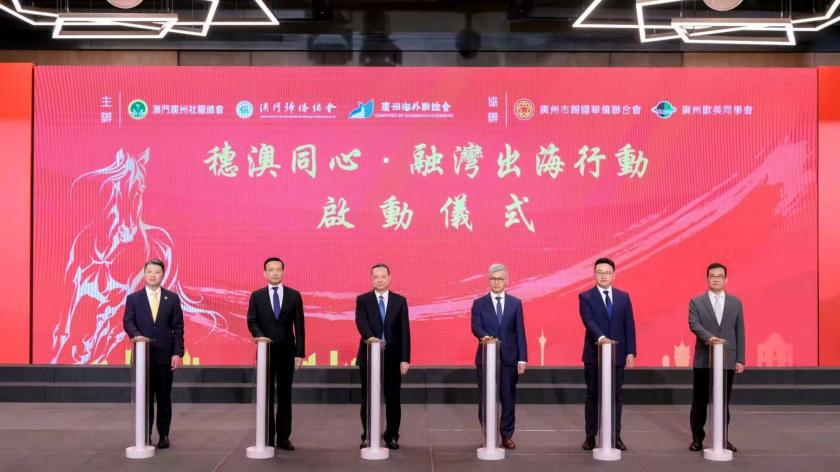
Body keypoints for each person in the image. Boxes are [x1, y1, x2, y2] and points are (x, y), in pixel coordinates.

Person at [123, 258, 184, 449]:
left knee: (164, 398)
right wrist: (137, 336)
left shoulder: (172, 298)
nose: (153, 275)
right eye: (149, 272)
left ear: (162, 275)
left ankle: (164, 435)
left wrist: (177, 352)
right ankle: (145, 435)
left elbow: (178, 327)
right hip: (144, 356)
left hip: (165, 356)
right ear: (144, 273)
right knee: (145, 398)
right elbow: (128, 321)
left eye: (157, 272)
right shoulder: (134, 298)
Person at [246, 257, 306, 451]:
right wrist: (260, 337)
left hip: (287, 352)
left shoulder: (294, 295)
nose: (274, 273)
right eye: (271, 270)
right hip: (266, 352)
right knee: (266, 395)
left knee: (285, 395)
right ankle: (267, 437)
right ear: (264, 273)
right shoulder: (257, 296)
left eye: (278, 269)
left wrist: (300, 353)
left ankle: (283, 438)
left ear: (283, 272)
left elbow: (300, 326)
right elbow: (252, 320)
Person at [579, 257, 636, 451]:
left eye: (607, 273)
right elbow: (588, 320)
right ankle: (590, 436)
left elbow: (629, 325)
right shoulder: (586, 297)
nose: (603, 276)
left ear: (614, 275)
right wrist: (602, 338)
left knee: (616, 396)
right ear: (594, 274)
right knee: (593, 395)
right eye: (600, 272)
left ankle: (615, 435)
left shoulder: (623, 297)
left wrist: (630, 352)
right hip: (594, 355)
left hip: (617, 355)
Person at [688, 262, 745, 453]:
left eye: (720, 276)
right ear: (707, 279)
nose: (716, 279)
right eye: (712, 276)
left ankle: (722, 438)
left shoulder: (735, 303)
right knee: (700, 401)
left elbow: (740, 331)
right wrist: (710, 338)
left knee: (723, 402)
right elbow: (694, 324)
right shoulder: (696, 301)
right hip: (704, 360)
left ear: (726, 280)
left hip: (727, 359)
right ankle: (697, 439)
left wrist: (740, 359)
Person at [471, 263, 527, 449]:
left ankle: (506, 435)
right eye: (493, 279)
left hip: (509, 358)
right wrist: (484, 336)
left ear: (506, 280)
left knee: (508, 398)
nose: (496, 282)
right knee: (485, 398)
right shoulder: (479, 303)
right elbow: (476, 326)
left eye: (500, 279)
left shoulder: (515, 303)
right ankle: (488, 434)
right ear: (489, 280)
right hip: (486, 358)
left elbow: (520, 332)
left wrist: (522, 358)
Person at [355, 263, 411, 450]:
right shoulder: (363, 300)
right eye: (376, 276)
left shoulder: (399, 301)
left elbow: (404, 331)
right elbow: (361, 322)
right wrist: (371, 338)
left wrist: (405, 358)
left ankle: (391, 435)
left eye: (383, 276)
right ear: (371, 279)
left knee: (393, 398)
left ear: (389, 278)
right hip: (369, 355)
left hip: (393, 358)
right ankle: (368, 435)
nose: (379, 280)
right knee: (368, 398)